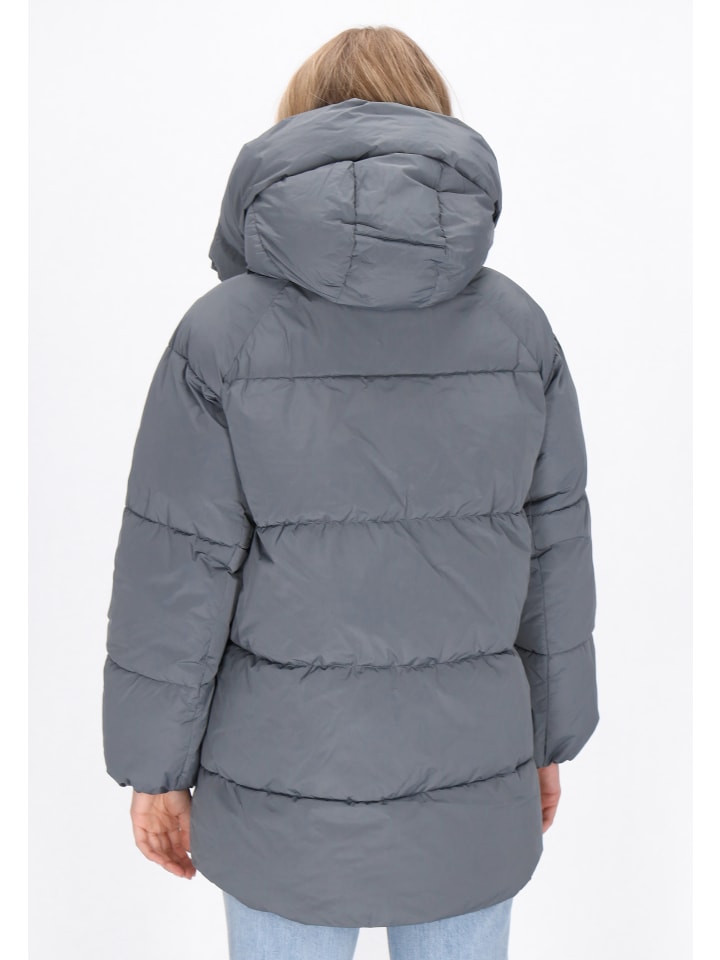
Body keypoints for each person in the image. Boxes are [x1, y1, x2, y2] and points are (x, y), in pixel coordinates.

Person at [102, 24, 599, 960]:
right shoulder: (518, 331)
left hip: (281, 788)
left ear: (295, 131)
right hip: (469, 779)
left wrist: (153, 768)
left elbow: (176, 570)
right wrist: (549, 739)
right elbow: (556, 556)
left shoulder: (222, 335)